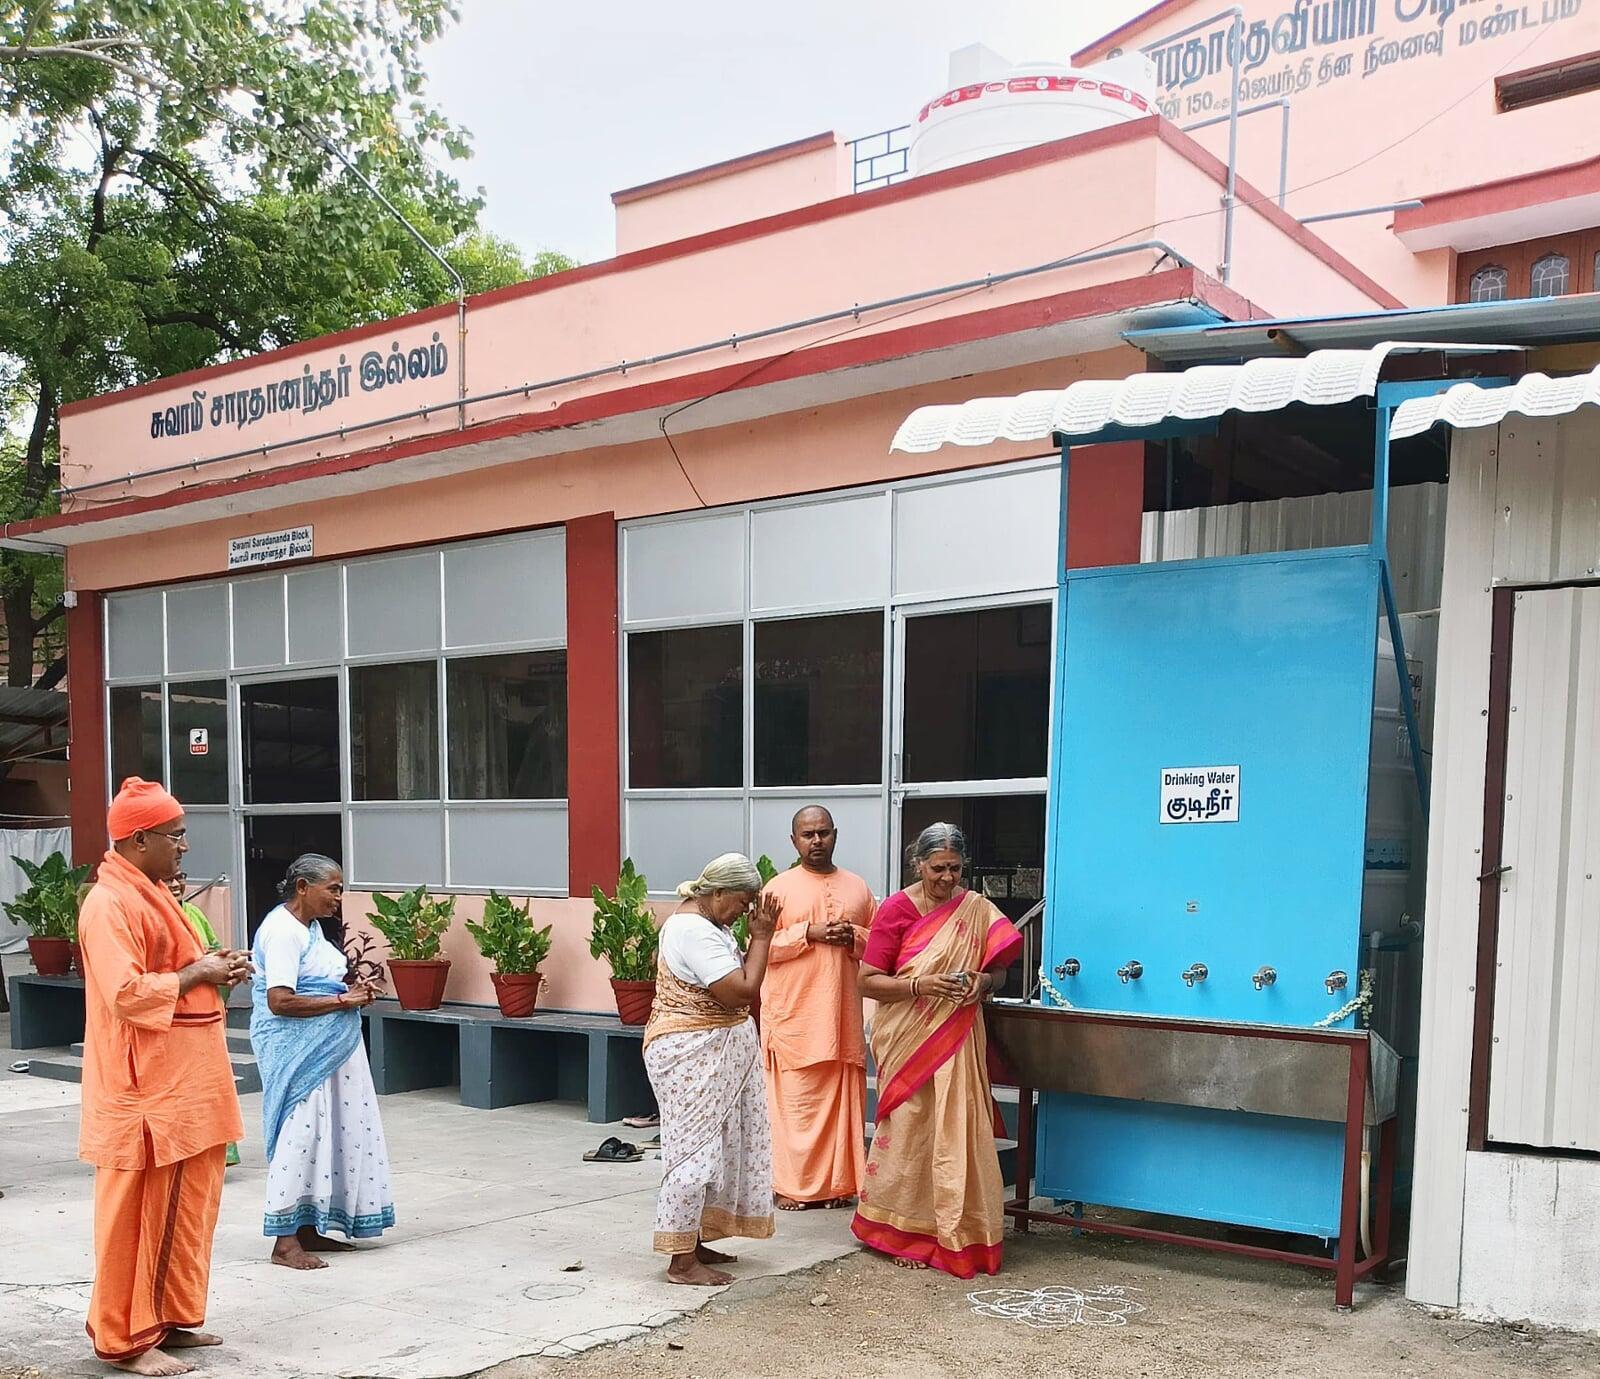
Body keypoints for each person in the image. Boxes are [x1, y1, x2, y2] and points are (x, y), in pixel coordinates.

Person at [78, 778, 251, 1376]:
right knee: (137, 1214)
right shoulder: (109, 903)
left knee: (188, 1206)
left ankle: (171, 1317)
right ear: (140, 838)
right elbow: (126, 992)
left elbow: (178, 969)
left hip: (187, 1082)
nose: (184, 846)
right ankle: (124, 1339)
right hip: (143, 1089)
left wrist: (214, 969)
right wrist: (197, 971)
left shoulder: (154, 894)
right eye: (175, 836)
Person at [850, 822, 1023, 1278]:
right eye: (938, 868)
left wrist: (984, 982)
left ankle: (958, 1232)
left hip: (959, 1035)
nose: (947, 878)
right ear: (918, 864)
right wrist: (920, 985)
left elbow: (1001, 970)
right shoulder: (895, 910)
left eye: (955, 869)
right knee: (910, 1130)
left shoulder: (976, 909)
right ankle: (897, 1228)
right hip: (907, 1037)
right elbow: (866, 981)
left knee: (957, 1130)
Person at [249, 854, 393, 1270]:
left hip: (327, 1050)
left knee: (325, 1133)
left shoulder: (309, 929)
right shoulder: (282, 931)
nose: (338, 897)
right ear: (302, 887)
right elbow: (280, 1001)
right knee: (300, 1134)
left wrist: (348, 990)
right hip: (297, 1055)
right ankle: (285, 1242)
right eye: (332, 888)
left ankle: (309, 1227)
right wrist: (340, 1000)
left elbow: (317, 983)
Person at [643, 853, 778, 1287]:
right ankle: (681, 1263)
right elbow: (739, 992)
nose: (746, 911)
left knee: (717, 1149)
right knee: (694, 1153)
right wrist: (762, 938)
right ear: (717, 893)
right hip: (692, 1054)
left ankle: (694, 1240)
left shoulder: (705, 925)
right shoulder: (692, 930)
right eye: (743, 901)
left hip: (711, 1052)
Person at [759, 806, 874, 1211]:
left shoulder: (858, 887)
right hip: (795, 1017)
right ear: (794, 841)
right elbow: (758, 951)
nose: (816, 841)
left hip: (841, 1014)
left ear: (835, 835)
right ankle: (790, 1186)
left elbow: (878, 948)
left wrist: (852, 936)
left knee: (839, 1102)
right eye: (807, 835)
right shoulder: (776, 889)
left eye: (823, 833)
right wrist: (807, 932)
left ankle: (837, 1186)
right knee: (795, 1104)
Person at [166, 873, 240, 1169]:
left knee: (213, 1084)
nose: (175, 885)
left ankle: (220, 1151)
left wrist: (229, 966)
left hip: (208, 1013)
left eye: (180, 878)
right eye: (170, 880)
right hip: (176, 1019)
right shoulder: (151, 915)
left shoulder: (193, 912)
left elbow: (213, 949)